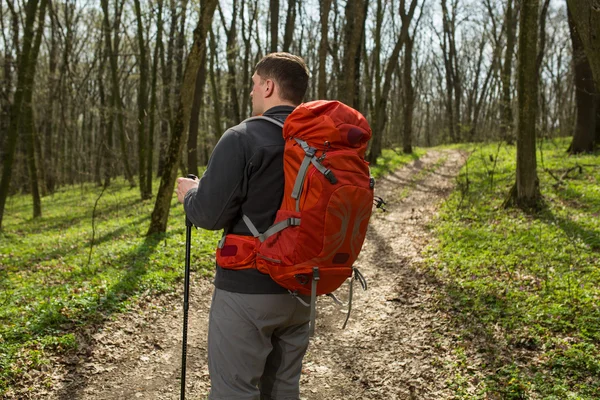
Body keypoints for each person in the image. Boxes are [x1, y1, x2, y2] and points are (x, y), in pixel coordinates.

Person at [175, 52, 311, 400]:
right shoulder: (319, 144)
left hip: (248, 290)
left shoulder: (243, 137)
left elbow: (208, 215)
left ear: (268, 86)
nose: (251, 93)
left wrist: (191, 195)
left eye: (253, 85)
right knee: (282, 390)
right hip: (302, 291)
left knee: (233, 392)